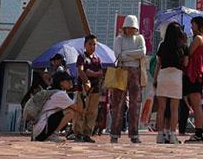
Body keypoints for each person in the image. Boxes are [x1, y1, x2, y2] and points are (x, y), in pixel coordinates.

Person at [108, 15, 146, 144]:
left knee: (135, 104)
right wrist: (133, 55)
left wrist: (127, 54)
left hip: (135, 72)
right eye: (128, 28)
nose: (130, 30)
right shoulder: (119, 39)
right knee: (118, 103)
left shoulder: (139, 38)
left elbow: (143, 52)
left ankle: (134, 134)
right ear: (124, 28)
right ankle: (114, 133)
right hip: (122, 71)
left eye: (132, 28)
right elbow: (118, 55)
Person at [155, 22, 187, 144]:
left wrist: (156, 79)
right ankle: (173, 135)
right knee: (174, 109)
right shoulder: (182, 46)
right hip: (176, 76)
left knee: (161, 108)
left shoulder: (162, 45)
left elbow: (159, 63)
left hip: (163, 75)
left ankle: (160, 135)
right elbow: (185, 63)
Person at [33, 71, 79, 142]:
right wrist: (82, 95)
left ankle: (50, 135)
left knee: (64, 110)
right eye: (68, 80)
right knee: (70, 112)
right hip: (43, 130)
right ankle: (53, 134)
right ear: (61, 83)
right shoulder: (60, 94)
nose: (70, 82)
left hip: (37, 130)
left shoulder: (51, 90)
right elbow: (78, 109)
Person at [74, 34, 104, 143]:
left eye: (94, 44)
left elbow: (101, 72)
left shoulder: (97, 59)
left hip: (95, 89)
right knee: (81, 110)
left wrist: (92, 74)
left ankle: (87, 133)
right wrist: (86, 80)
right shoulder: (82, 57)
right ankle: (78, 133)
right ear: (85, 45)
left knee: (92, 112)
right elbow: (81, 70)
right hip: (83, 89)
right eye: (90, 44)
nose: (92, 46)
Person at [183, 16, 203, 143]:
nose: (191, 28)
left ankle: (198, 133)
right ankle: (199, 133)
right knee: (196, 104)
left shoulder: (198, 38)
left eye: (193, 25)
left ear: (198, 25)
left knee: (197, 105)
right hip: (195, 73)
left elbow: (189, 52)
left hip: (194, 74)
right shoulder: (200, 38)